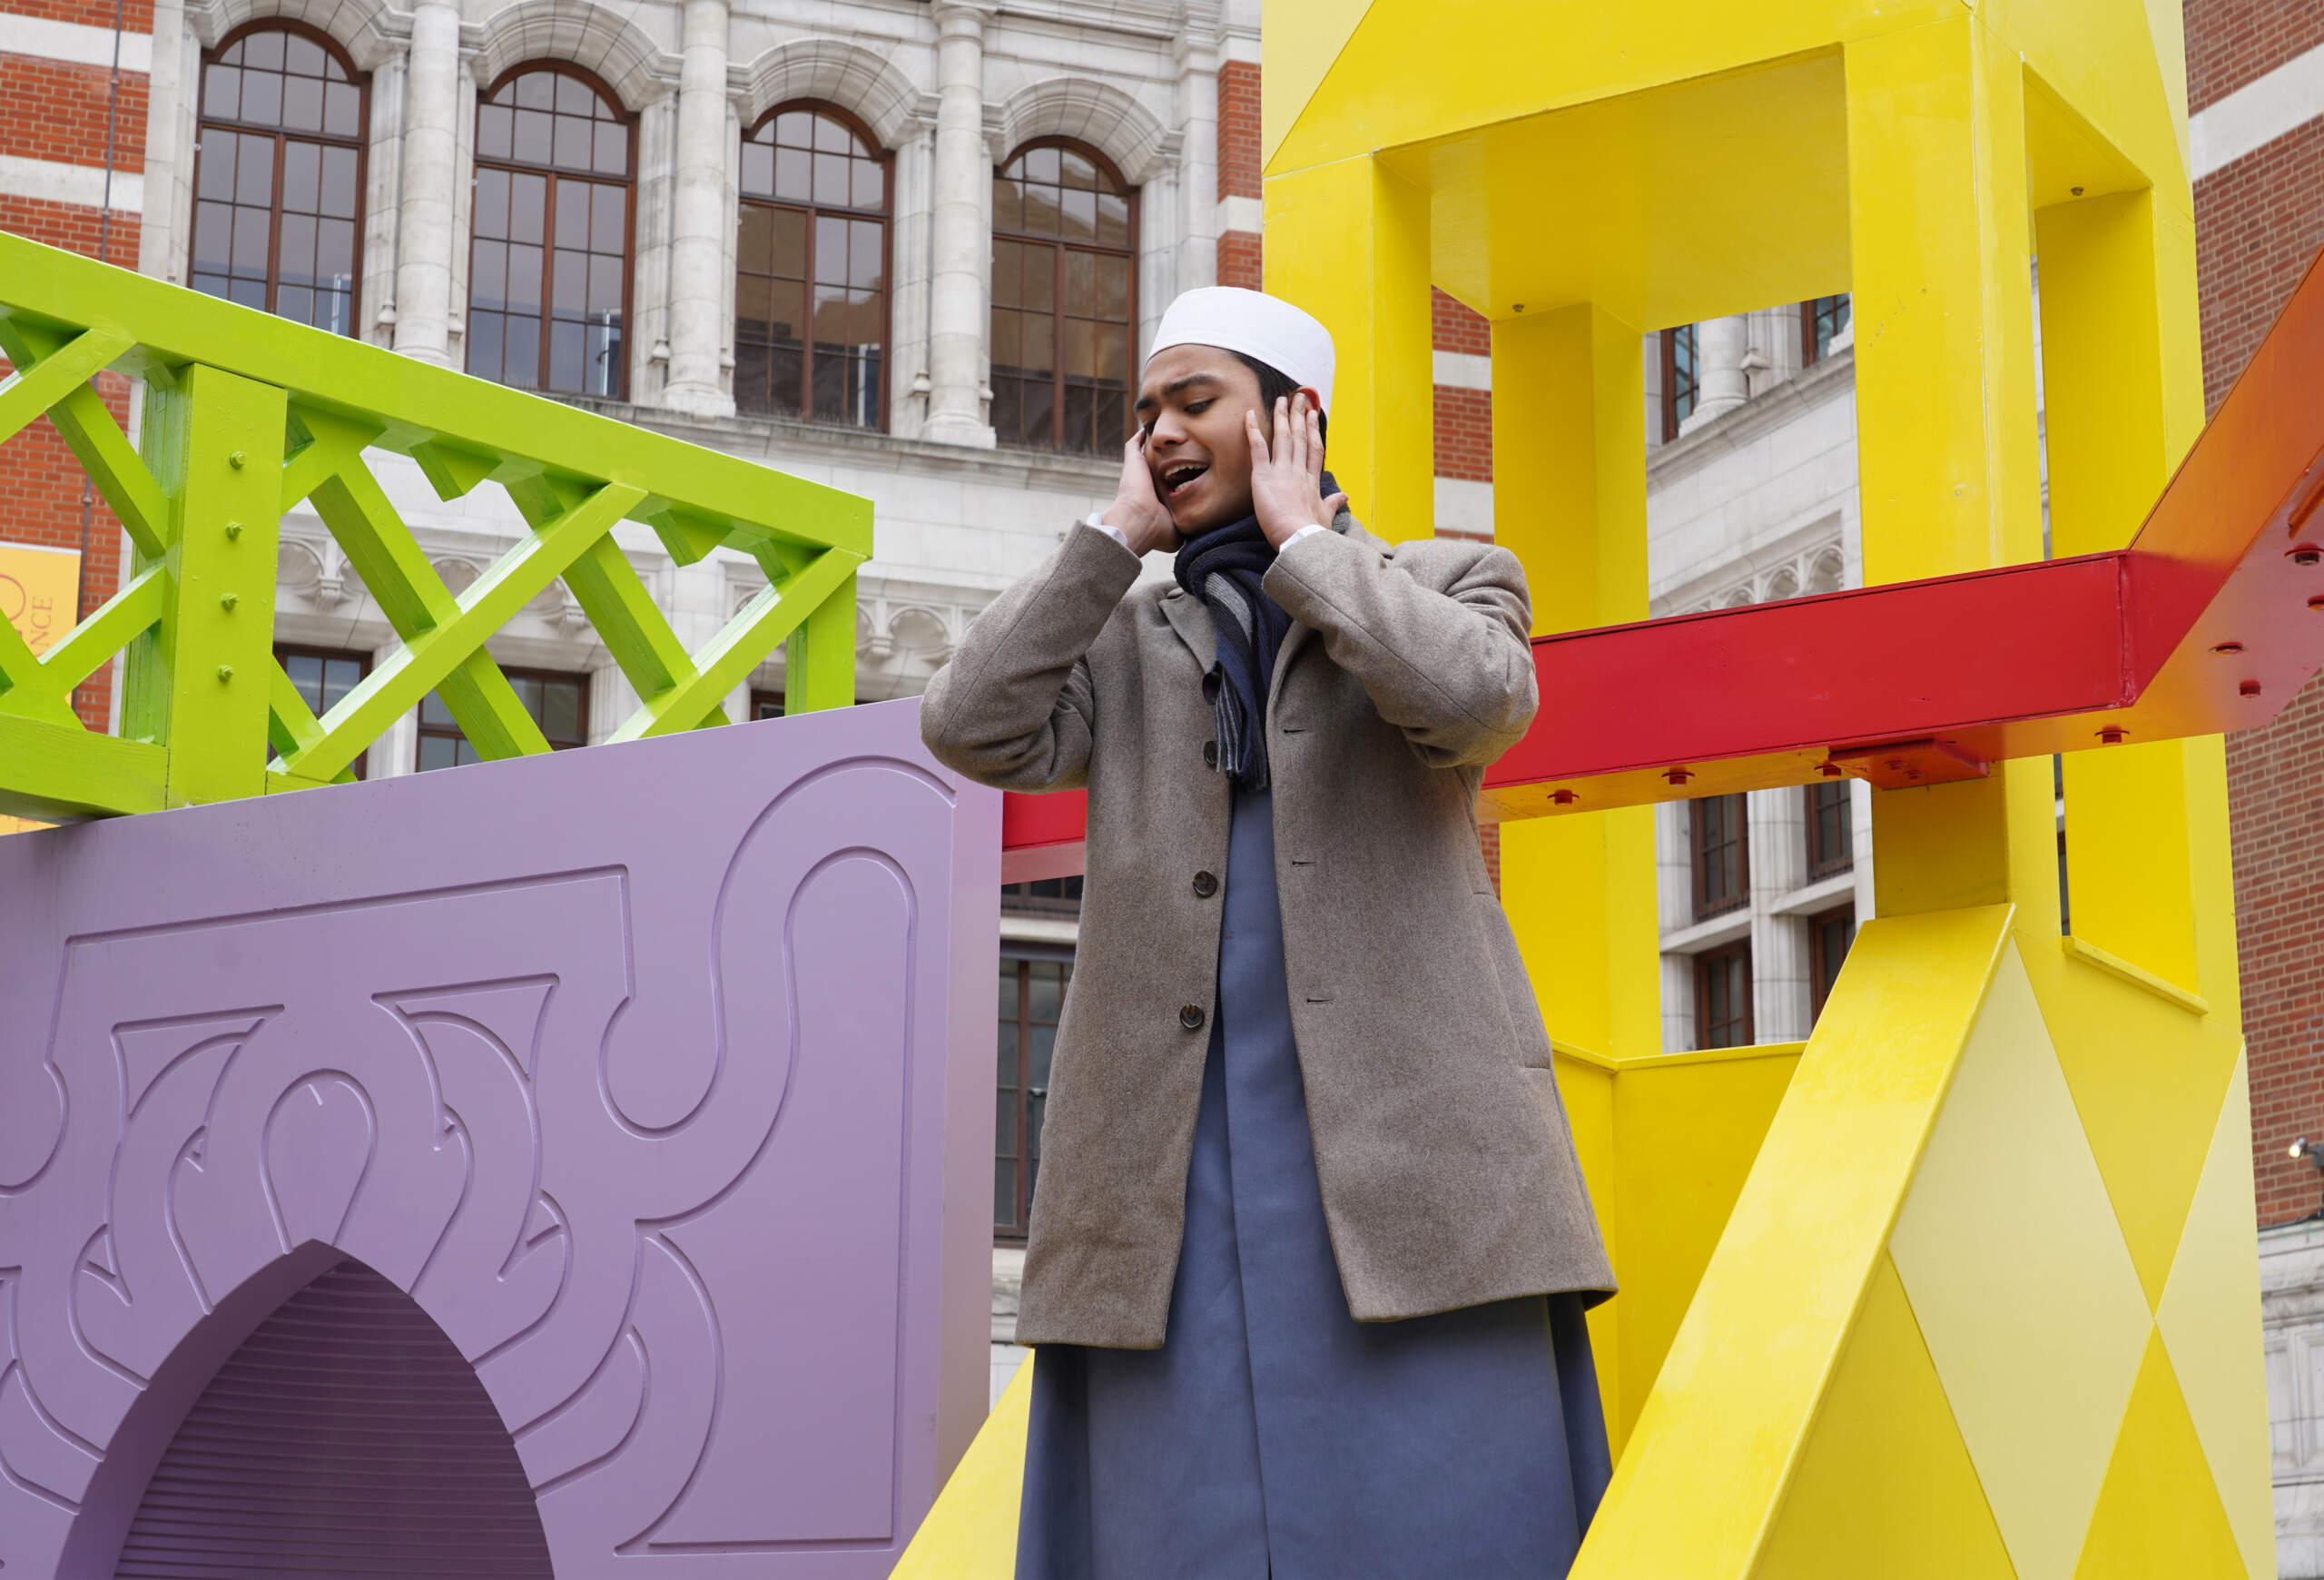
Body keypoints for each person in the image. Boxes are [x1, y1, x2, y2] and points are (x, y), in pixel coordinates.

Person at [920, 287, 1615, 1579]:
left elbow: (1475, 702)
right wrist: (1108, 538)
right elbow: (970, 726)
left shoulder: (1446, 581)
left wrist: (1308, 549)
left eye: (1194, 404)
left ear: (1293, 420)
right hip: (1167, 1178)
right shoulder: (1124, 642)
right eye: (1145, 416)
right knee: (1180, 1530)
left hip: (1415, 1172)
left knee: (1447, 1521)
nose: (1162, 435)